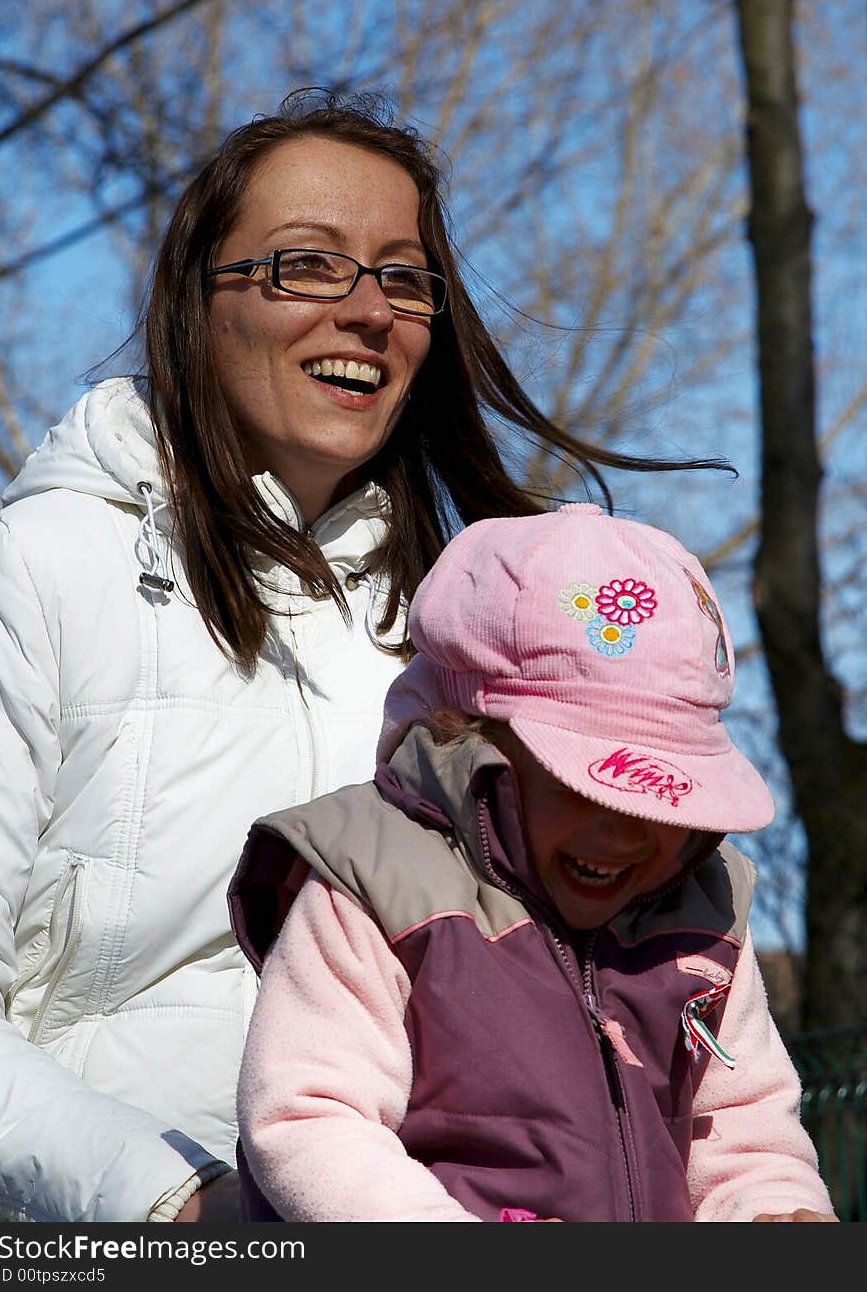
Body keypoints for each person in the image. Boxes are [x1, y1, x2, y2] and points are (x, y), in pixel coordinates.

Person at [0, 90, 729, 1224]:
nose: (369, 309)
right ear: (199, 301)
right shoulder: (35, 569)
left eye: (402, 275)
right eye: (307, 265)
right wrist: (177, 1204)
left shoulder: (475, 632)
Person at [231, 503, 838, 1222]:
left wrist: (771, 1211)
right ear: (480, 744)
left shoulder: (703, 921)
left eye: (664, 803)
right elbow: (312, 1118)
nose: (625, 836)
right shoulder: (378, 884)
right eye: (584, 789)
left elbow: (744, 1132)